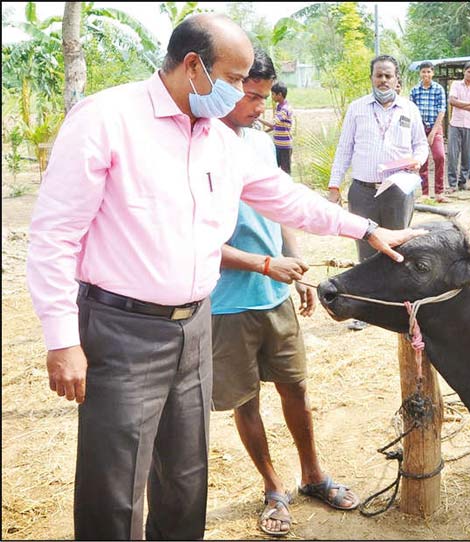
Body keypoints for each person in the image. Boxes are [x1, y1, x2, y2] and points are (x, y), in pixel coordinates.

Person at [26, 14, 422, 540]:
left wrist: (368, 228)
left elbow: (285, 197)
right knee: (114, 486)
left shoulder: (216, 137)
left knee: (186, 477)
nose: (242, 92)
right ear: (193, 67)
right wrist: (62, 340)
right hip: (121, 330)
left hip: (195, 327)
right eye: (234, 79)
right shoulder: (106, 119)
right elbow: (54, 237)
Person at [213, 48, 360, 537]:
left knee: (295, 387)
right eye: (252, 96)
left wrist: (292, 269)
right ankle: (273, 486)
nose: (261, 106)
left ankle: (312, 474)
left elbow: (278, 209)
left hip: (274, 293)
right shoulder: (197, 144)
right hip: (226, 303)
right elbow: (194, 242)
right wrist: (266, 264)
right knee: (245, 400)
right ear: (226, 87)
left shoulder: (259, 144)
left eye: (264, 96)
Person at [327, 54, 428, 331]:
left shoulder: (409, 109)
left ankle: (401, 309)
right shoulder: (357, 109)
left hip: (398, 190)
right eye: (378, 75)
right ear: (371, 78)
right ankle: (365, 310)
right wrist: (334, 186)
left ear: (397, 80)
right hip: (362, 191)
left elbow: (421, 145)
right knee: (365, 249)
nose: (383, 80)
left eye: (388, 76)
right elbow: (344, 150)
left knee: (399, 249)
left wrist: (418, 159)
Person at [410, 61, 449, 203]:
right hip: (419, 128)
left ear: (433, 73)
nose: (426, 74)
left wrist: (433, 132)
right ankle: (425, 192)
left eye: (428, 72)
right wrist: (419, 131)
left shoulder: (438, 89)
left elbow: (442, 111)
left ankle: (439, 192)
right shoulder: (414, 91)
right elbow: (412, 112)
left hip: (435, 127)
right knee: (423, 160)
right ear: (420, 73)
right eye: (423, 72)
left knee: (439, 157)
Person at [447, 61, 470, 192]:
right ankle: (452, 184)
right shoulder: (456, 84)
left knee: (467, 155)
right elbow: (451, 101)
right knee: (452, 155)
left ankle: (463, 182)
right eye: (469, 71)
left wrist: (460, 103)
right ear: (464, 71)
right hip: (455, 124)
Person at [262, 81, 293, 174]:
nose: (272, 97)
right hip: (277, 145)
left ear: (280, 95)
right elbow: (276, 126)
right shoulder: (279, 107)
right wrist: (264, 132)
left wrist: (257, 119)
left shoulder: (285, 109)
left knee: (285, 172)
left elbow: (273, 124)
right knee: (274, 169)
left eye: (273, 94)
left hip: (284, 146)